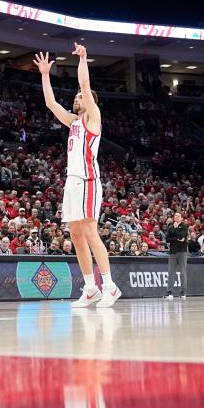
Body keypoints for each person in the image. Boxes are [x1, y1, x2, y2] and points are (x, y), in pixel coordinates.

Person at [35, 44, 120, 309]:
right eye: (75, 97)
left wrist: (83, 58)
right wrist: (45, 74)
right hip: (71, 182)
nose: (76, 99)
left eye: (80, 97)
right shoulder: (73, 122)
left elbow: (84, 84)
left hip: (88, 180)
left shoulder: (92, 118)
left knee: (90, 232)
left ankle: (110, 286)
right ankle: (91, 288)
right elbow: (50, 103)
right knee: (75, 234)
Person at [164, 212, 189, 299]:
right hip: (172, 252)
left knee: (182, 272)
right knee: (171, 272)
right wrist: (177, 239)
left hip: (182, 251)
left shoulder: (185, 226)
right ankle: (169, 292)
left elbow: (182, 235)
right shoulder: (170, 227)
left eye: (179, 216)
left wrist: (175, 234)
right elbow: (167, 239)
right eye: (175, 216)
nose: (177, 217)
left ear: (182, 218)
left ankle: (183, 292)